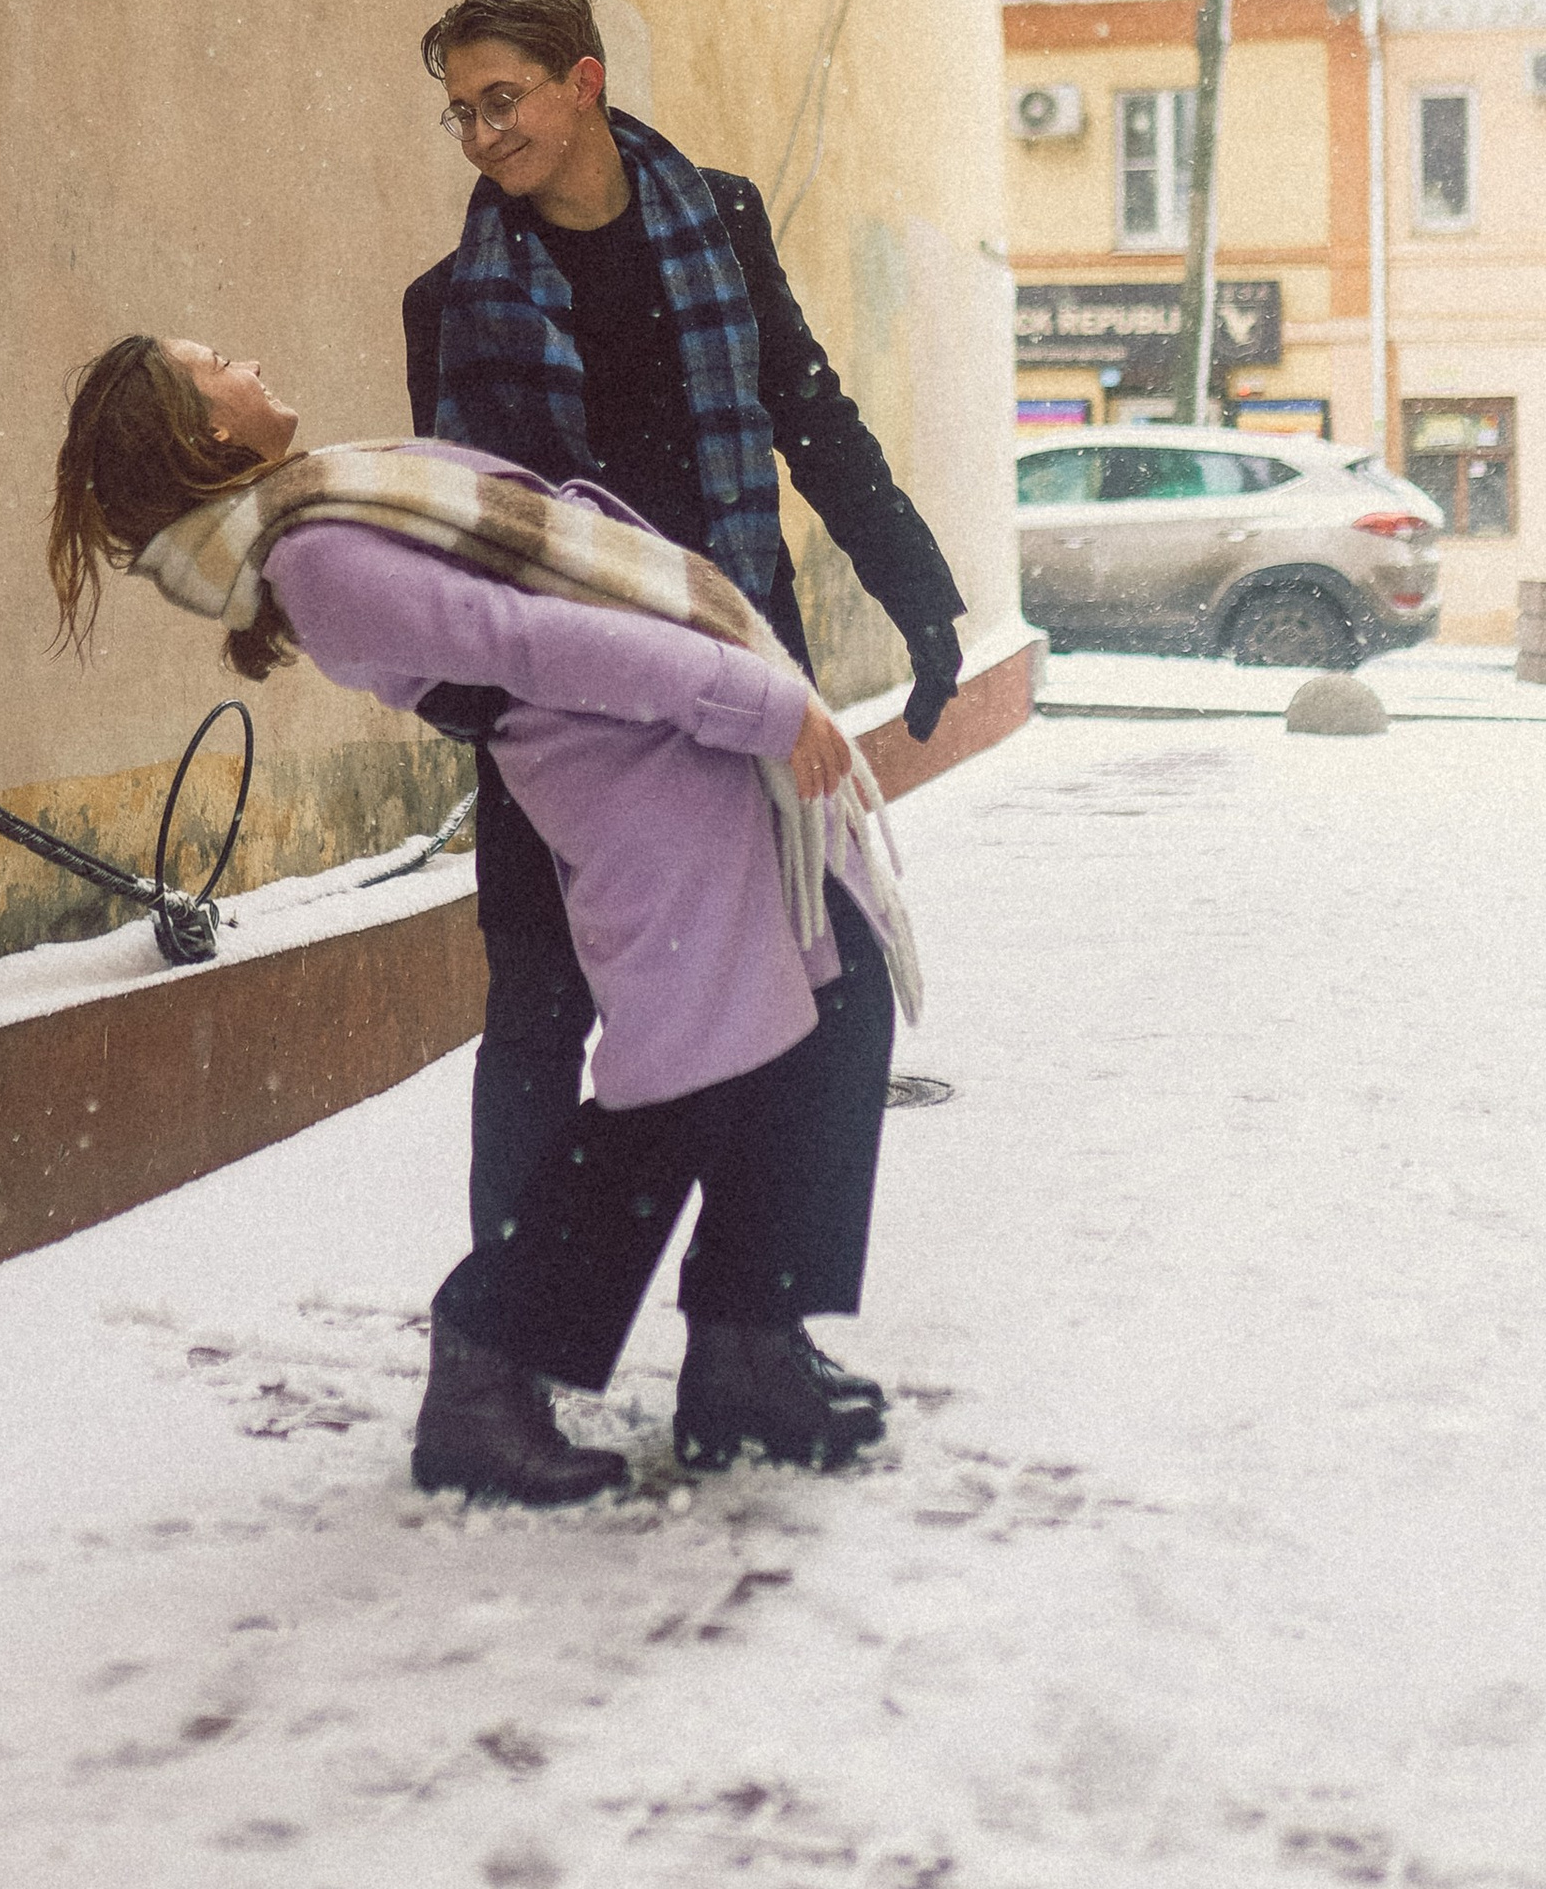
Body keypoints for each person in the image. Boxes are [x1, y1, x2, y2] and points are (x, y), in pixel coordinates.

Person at [48, 333, 921, 1502]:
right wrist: (754, 696)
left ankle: (747, 1353)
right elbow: (533, 643)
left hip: (677, 780)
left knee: (818, 1018)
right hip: (653, 807)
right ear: (206, 431)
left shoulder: (316, 509)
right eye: (216, 360)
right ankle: (484, 1369)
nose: (247, 357)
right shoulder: (315, 555)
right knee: (668, 1103)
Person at [402, 0, 964, 1433]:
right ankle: (501, 1372)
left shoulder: (713, 221)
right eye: (460, 111)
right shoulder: (457, 300)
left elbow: (807, 412)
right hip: (568, 724)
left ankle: (747, 1346)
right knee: (542, 1011)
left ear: (583, 81)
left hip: (735, 689)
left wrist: (918, 586)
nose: (480, 134)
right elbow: (467, 531)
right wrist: (485, 710)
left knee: (819, 979)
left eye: (502, 98)